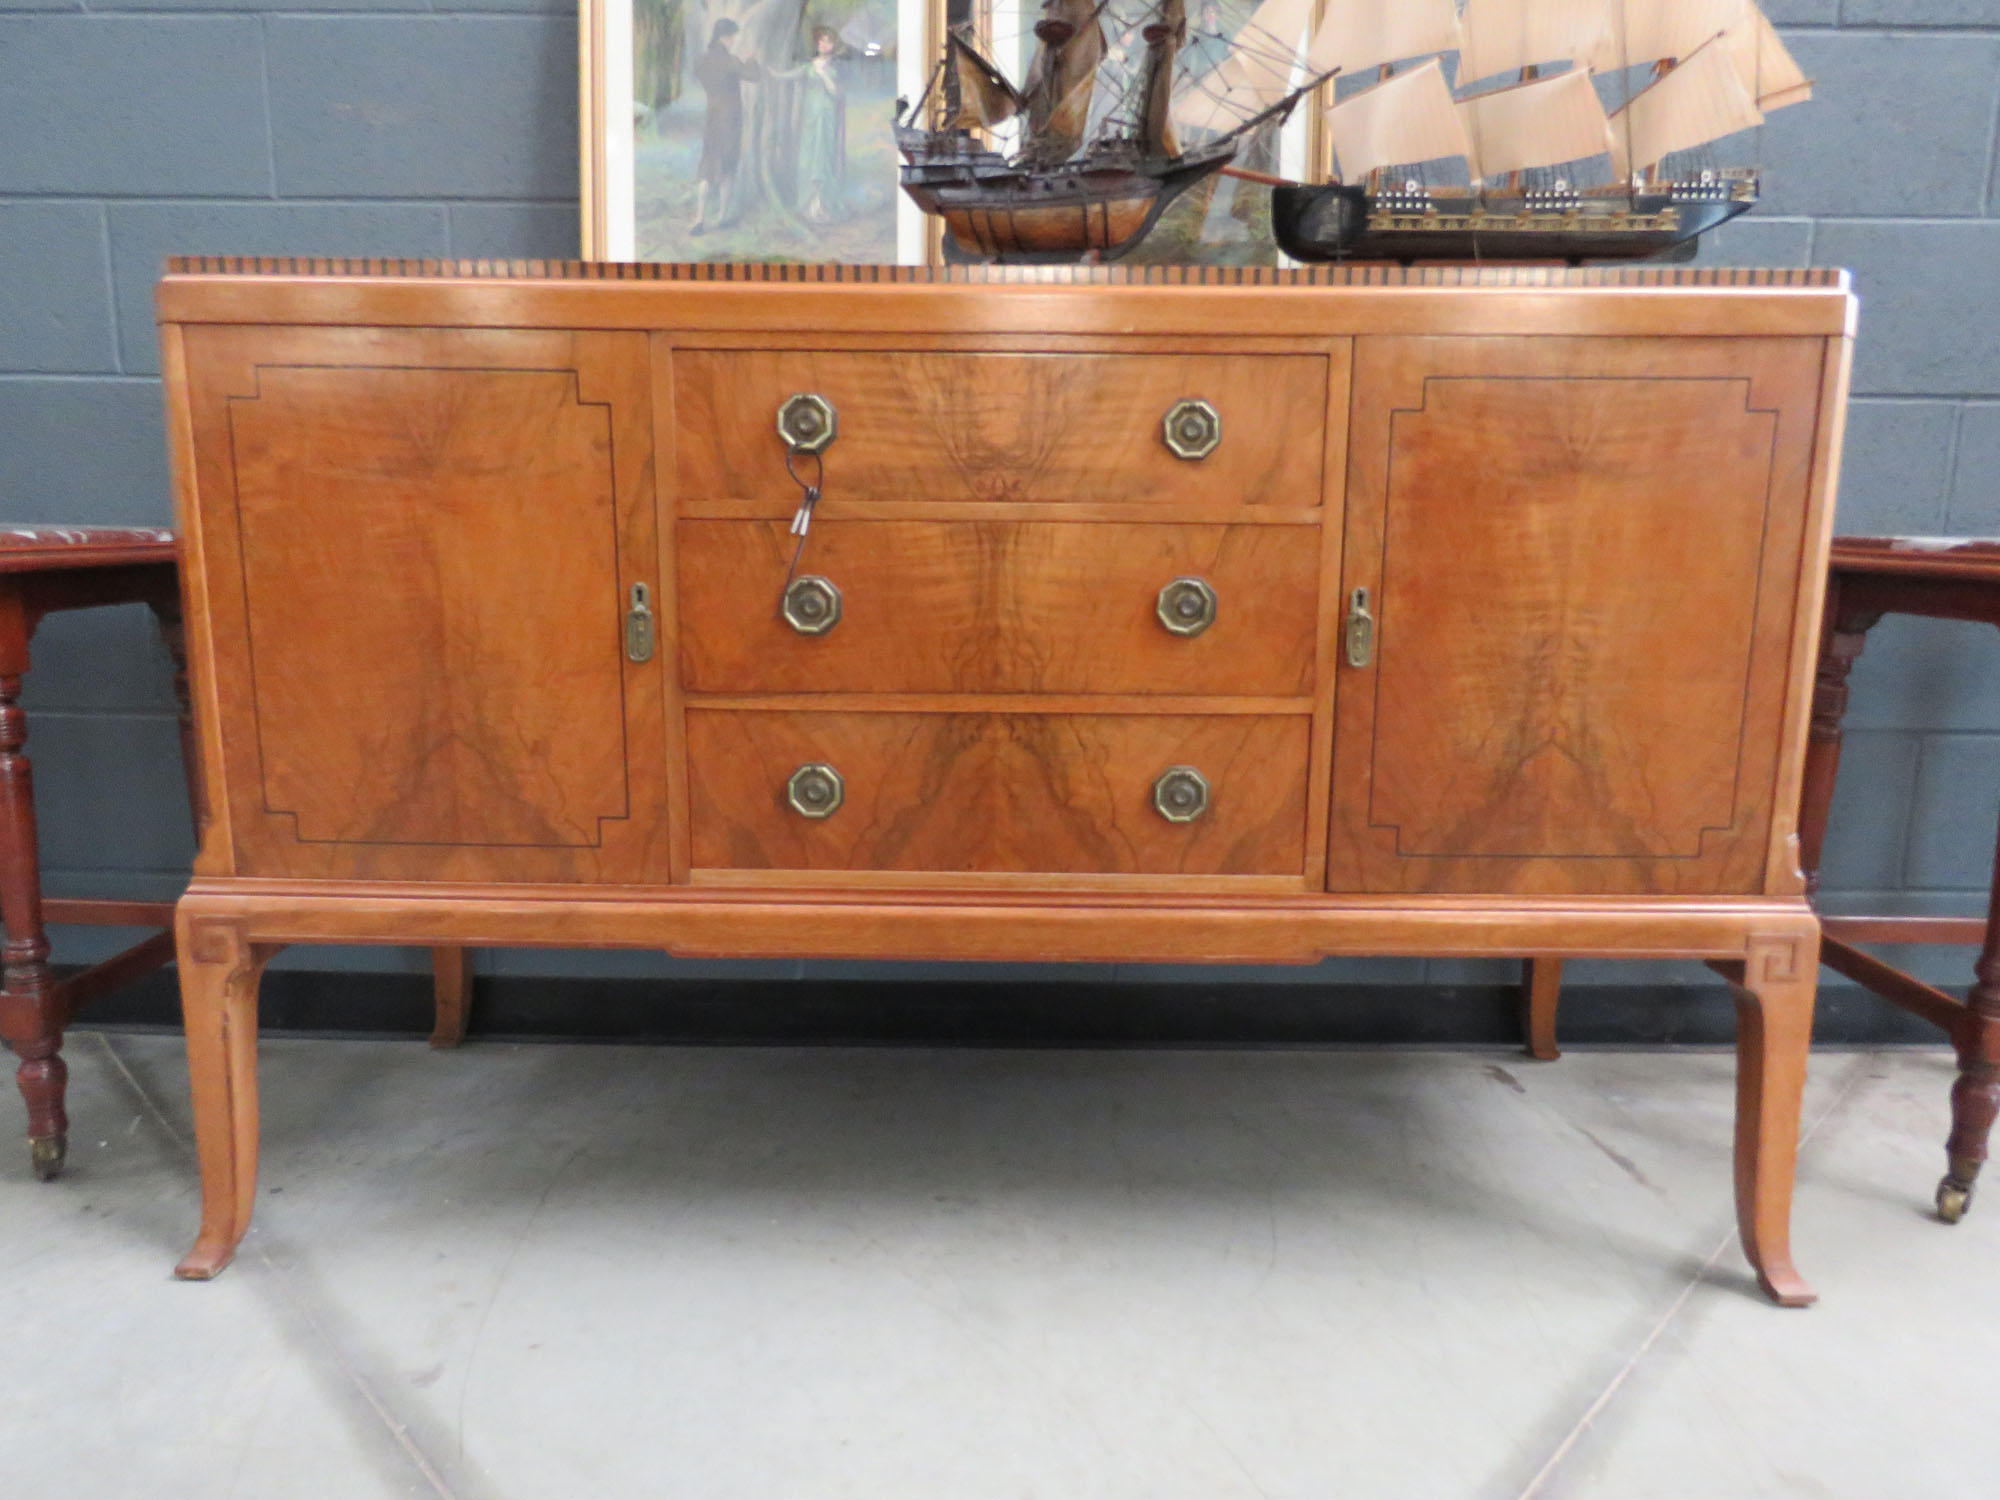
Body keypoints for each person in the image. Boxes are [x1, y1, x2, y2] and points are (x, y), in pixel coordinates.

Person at [692, 18, 761, 235]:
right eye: (731, 36)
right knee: (728, 167)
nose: (733, 40)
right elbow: (754, 76)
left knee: (708, 167)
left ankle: (699, 219)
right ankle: (721, 217)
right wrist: (751, 60)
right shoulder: (731, 61)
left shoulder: (701, 61)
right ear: (723, 37)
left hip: (712, 118)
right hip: (730, 119)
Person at [789, 27, 849, 224]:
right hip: (810, 119)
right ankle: (808, 206)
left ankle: (822, 206)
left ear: (833, 46)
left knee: (823, 159)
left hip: (827, 118)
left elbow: (836, 93)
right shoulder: (809, 66)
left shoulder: (836, 67)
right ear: (817, 44)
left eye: (829, 42)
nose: (825, 45)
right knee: (809, 159)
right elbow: (791, 76)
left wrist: (823, 75)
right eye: (822, 41)